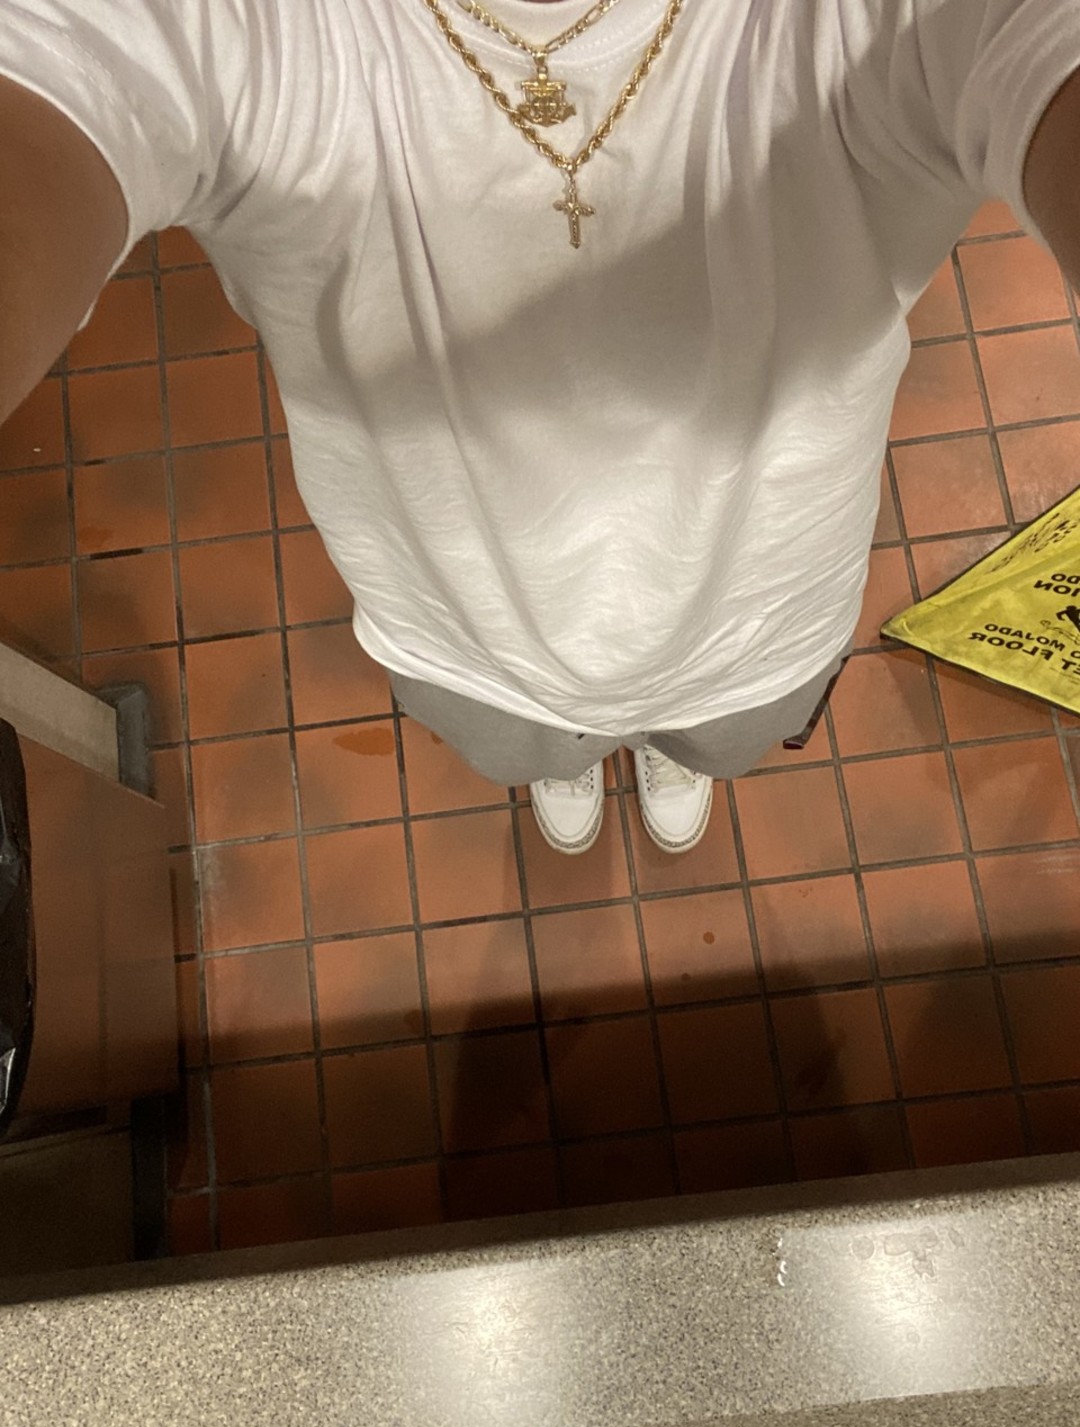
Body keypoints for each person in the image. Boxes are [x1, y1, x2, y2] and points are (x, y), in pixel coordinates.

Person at [1, 0, 1079, 858]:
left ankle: (658, 744)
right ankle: (574, 753)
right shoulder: (231, 30)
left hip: (760, 634)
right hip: (470, 647)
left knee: (718, 740)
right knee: (530, 751)